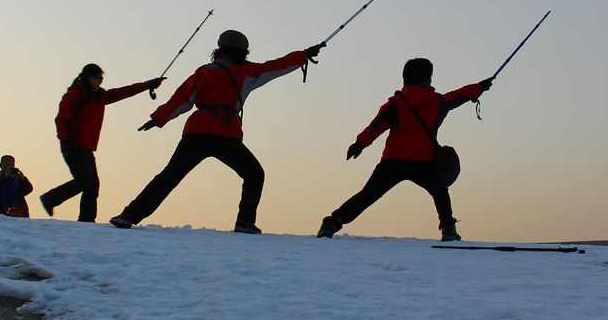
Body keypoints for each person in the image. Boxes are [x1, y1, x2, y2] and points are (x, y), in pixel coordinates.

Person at [110, 30, 323, 233]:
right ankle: (245, 223)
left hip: (196, 132)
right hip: (226, 134)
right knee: (254, 174)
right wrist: (303, 55)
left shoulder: (203, 72)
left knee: (170, 175)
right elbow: (279, 65)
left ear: (219, 48)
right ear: (244, 51)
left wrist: (158, 118)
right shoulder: (248, 71)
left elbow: (182, 98)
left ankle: (128, 216)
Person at [316, 58, 492, 242]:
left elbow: (377, 125)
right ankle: (448, 229)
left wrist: (360, 144)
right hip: (424, 161)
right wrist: (480, 87)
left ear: (405, 78)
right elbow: (460, 95)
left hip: (393, 161)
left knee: (368, 195)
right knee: (440, 190)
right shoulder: (438, 102)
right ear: (427, 78)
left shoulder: (396, 103)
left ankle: (332, 222)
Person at [38, 64, 164, 222]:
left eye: (101, 78)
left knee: (92, 184)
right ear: (89, 77)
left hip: (86, 147)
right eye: (98, 78)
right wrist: (64, 142)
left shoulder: (98, 95)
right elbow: (61, 119)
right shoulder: (75, 94)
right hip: (73, 145)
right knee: (85, 181)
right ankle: (51, 199)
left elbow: (121, 92)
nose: (100, 81)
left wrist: (147, 85)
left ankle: (86, 219)